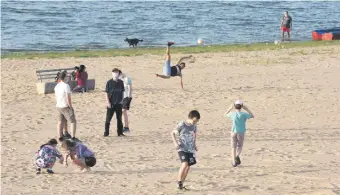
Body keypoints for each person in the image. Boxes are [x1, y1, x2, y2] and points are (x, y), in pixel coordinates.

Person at [171, 110, 200, 191]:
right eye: (194, 121)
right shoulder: (182, 124)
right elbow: (172, 133)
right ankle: (179, 183)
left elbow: (194, 136)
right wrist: (175, 143)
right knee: (184, 164)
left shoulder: (194, 126)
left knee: (188, 167)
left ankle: (181, 184)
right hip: (182, 148)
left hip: (190, 149)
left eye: (197, 121)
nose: (195, 122)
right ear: (190, 118)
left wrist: (195, 145)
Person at [224, 100, 254, 167]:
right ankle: (237, 156)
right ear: (241, 106)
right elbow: (252, 116)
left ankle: (234, 161)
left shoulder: (232, 114)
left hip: (233, 132)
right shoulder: (244, 114)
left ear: (235, 106)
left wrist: (230, 108)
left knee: (233, 147)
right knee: (240, 146)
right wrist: (247, 109)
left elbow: (225, 114)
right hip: (241, 132)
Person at [54, 71, 77, 141]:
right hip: (65, 105)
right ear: (65, 77)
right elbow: (68, 97)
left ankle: (60, 136)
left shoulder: (57, 86)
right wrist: (70, 106)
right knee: (73, 121)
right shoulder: (66, 86)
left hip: (58, 105)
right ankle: (73, 137)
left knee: (60, 121)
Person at [104, 68, 125, 137]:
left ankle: (120, 133)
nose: (116, 73)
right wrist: (108, 102)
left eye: (117, 72)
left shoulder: (121, 82)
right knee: (108, 119)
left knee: (119, 119)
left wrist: (122, 101)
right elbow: (106, 93)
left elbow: (122, 92)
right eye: (114, 72)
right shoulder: (109, 82)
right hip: (111, 103)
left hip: (119, 104)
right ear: (112, 73)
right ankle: (106, 133)